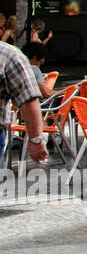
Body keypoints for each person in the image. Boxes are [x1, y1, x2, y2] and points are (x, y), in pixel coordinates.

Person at [1, 41, 47, 189]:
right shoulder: (9, 54)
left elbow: (29, 100)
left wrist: (35, 139)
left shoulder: (8, 55)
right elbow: (28, 100)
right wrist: (35, 140)